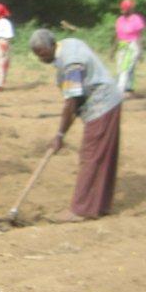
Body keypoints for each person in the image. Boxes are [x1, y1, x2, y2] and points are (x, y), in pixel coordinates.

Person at [29, 29, 123, 222]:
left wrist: (60, 135)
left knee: (91, 156)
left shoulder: (71, 64)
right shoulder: (68, 44)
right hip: (108, 101)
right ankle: (100, 206)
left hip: (102, 106)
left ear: (51, 45)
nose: (40, 58)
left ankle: (80, 210)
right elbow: (75, 100)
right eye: (37, 54)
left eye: (42, 53)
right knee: (102, 156)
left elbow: (71, 102)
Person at [113, 0, 146, 94]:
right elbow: (117, 36)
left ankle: (120, 90)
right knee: (121, 68)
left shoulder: (137, 19)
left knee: (125, 68)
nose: (123, 11)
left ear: (130, 9)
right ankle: (129, 88)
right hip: (121, 46)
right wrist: (112, 50)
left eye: (125, 8)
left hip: (132, 46)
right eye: (122, 9)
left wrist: (140, 51)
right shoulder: (119, 20)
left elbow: (140, 36)